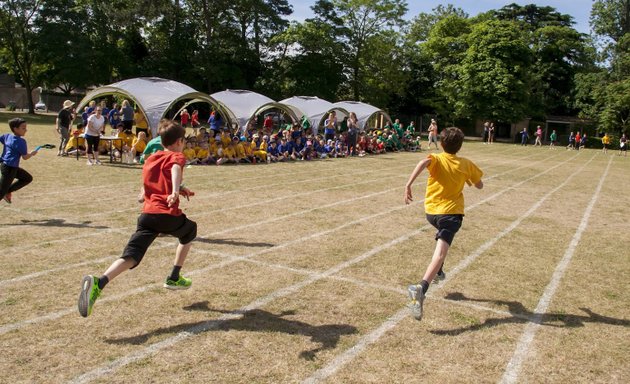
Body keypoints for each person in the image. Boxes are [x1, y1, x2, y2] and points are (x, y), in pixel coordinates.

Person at [78, 120, 196, 318]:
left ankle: (99, 283)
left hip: (147, 216)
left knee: (131, 256)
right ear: (179, 141)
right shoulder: (177, 155)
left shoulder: (151, 159)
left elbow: (147, 186)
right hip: (165, 213)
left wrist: (176, 189)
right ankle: (174, 277)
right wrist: (175, 191)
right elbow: (175, 168)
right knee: (190, 230)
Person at [404, 127, 483, 321]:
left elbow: (423, 162)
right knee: (440, 254)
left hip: (431, 212)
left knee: (442, 240)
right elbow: (479, 184)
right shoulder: (466, 164)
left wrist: (408, 184)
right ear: (460, 146)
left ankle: (439, 271)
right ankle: (420, 288)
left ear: (441, 143)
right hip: (451, 215)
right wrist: (473, 180)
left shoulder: (437, 158)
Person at [0, 118, 38, 204]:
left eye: (26, 127)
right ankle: (5, 192)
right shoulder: (21, 141)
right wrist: (32, 153)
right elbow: (25, 157)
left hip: (7, 166)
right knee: (1, 192)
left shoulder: (7, 136)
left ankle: (7, 191)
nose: (26, 130)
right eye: (23, 128)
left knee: (27, 178)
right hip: (10, 168)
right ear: (15, 129)